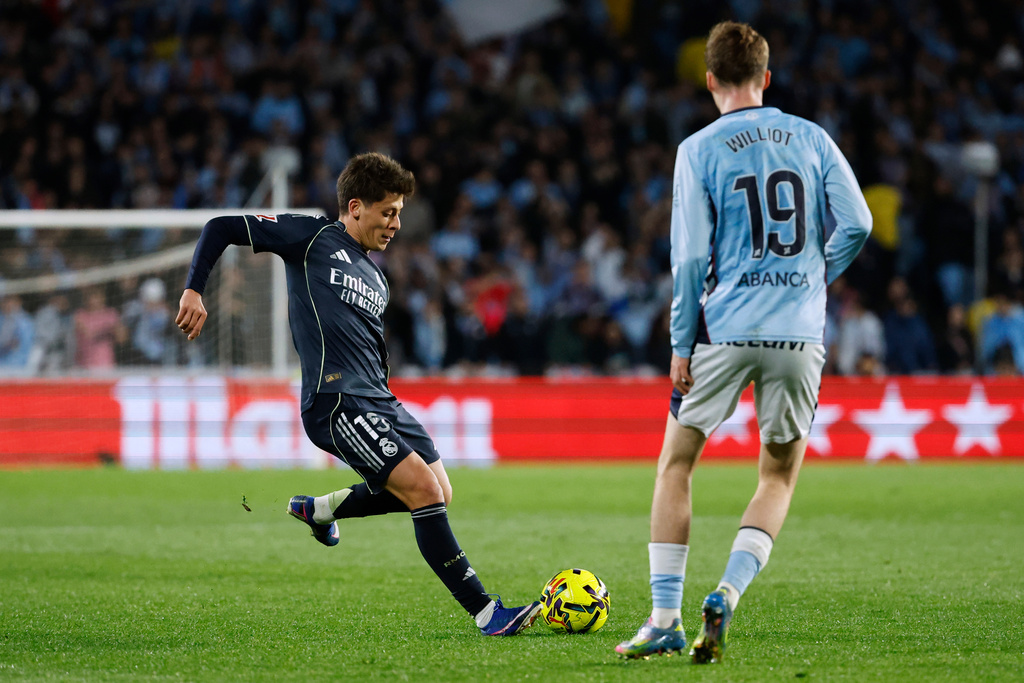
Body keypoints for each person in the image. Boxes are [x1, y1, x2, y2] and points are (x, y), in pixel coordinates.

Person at [175, 152, 540, 636]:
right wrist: (194, 291)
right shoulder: (311, 237)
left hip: (381, 399)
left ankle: (318, 509)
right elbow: (220, 226)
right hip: (336, 400)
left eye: (400, 214)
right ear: (355, 207)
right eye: (387, 212)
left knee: (440, 493)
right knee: (424, 492)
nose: (395, 224)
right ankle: (488, 613)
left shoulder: (377, 278)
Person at [615, 22, 871, 664]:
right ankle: (728, 589)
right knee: (778, 473)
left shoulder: (697, 149)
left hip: (724, 329)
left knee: (677, 464)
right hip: (798, 331)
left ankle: (666, 616)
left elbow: (690, 257)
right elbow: (859, 223)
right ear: (766, 76)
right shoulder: (812, 137)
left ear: (709, 80)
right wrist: (813, 278)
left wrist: (680, 342)